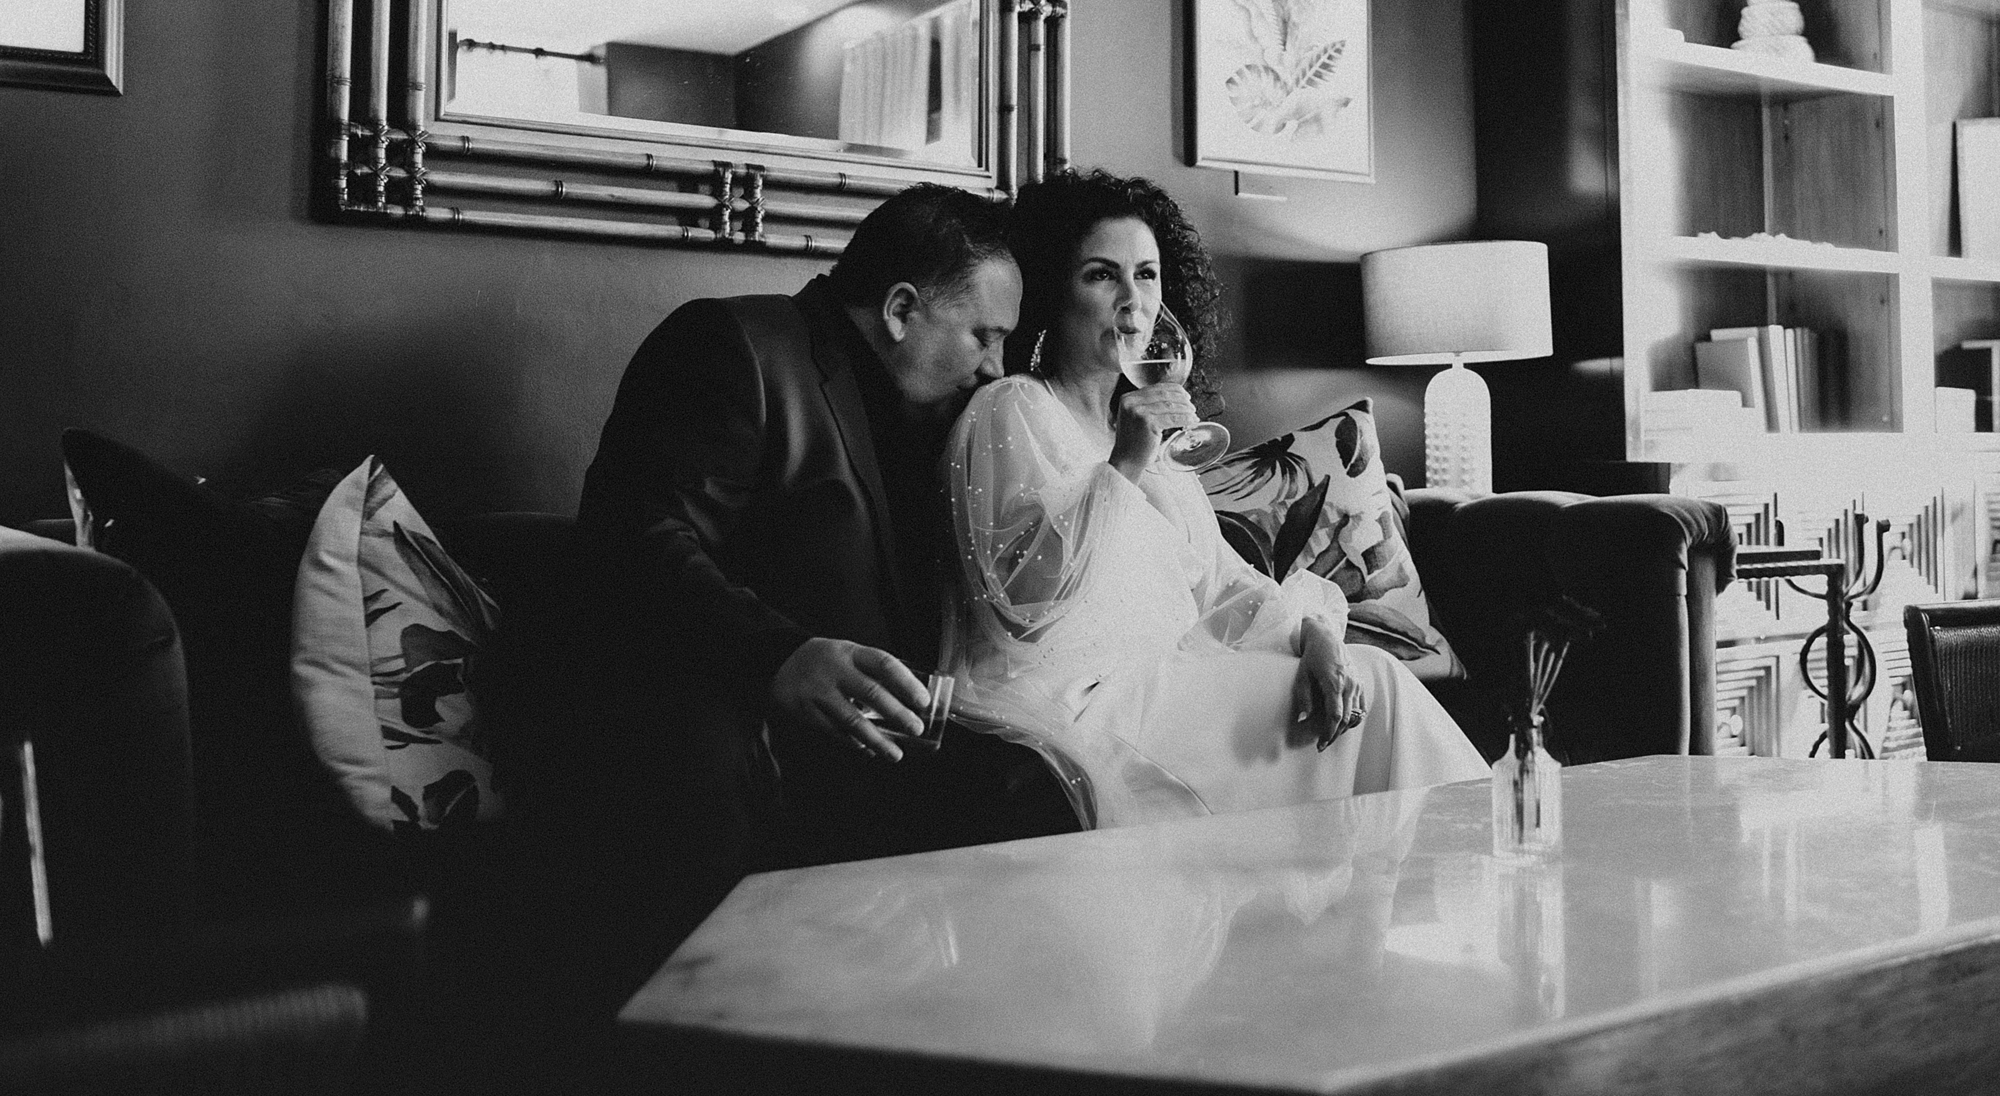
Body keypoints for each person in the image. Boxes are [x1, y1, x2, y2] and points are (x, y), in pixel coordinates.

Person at [574, 181, 1074, 913]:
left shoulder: (949, 414)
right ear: (902, 310)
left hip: (903, 739)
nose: (997, 367)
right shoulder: (735, 346)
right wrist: (777, 654)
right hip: (761, 743)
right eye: (984, 336)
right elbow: (636, 541)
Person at [940, 169, 1487, 829]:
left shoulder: (1153, 435)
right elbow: (1019, 599)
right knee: (1385, 694)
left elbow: (1225, 584)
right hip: (1086, 703)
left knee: (1368, 681)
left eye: (1146, 274)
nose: (1131, 301)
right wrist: (1123, 465)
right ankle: (1484, 868)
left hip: (1177, 685)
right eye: (1100, 275)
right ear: (1056, 289)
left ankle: (1455, 885)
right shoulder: (1016, 408)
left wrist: (1313, 632)